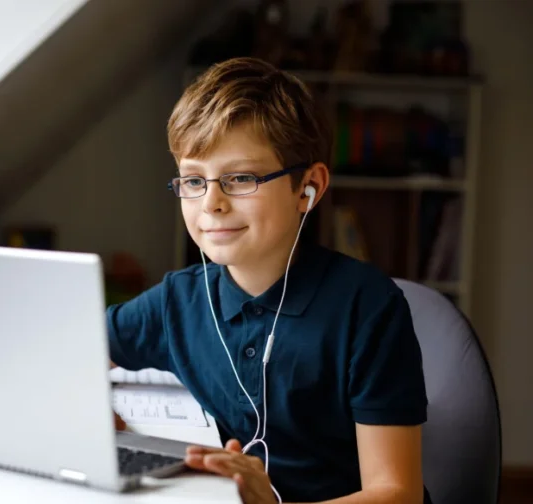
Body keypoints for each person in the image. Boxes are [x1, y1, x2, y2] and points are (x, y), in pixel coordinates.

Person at [107, 57, 430, 504]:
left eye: (241, 178)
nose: (211, 203)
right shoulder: (178, 300)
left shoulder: (367, 307)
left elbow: (397, 493)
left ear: (308, 188)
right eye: (193, 180)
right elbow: (75, 353)